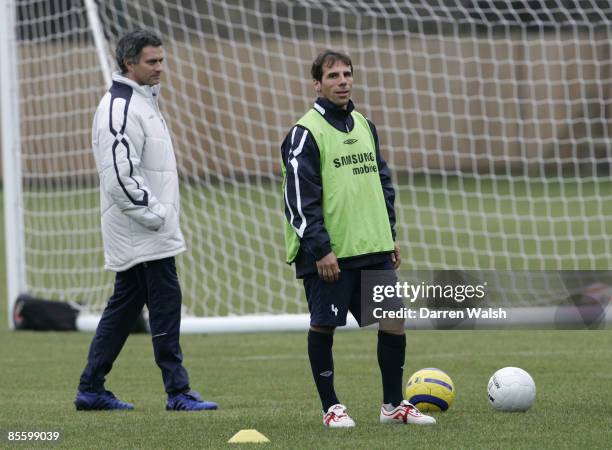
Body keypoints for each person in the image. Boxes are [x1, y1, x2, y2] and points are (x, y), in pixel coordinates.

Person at [281, 50, 436, 427]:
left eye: (347, 74)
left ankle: (393, 405)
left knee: (394, 319)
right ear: (317, 83)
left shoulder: (365, 125)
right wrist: (321, 249)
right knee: (324, 325)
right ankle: (331, 407)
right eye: (333, 76)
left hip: (372, 248)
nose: (343, 81)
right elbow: (299, 199)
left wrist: (389, 235)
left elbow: (381, 182)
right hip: (330, 254)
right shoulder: (305, 133)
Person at [74, 30, 217, 411]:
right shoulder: (118, 108)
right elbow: (120, 176)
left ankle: (91, 388)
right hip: (143, 230)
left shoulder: (143, 102)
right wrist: (158, 216)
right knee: (166, 302)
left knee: (123, 309)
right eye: (152, 61)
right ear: (129, 63)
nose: (159, 68)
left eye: (161, 60)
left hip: (145, 230)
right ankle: (178, 392)